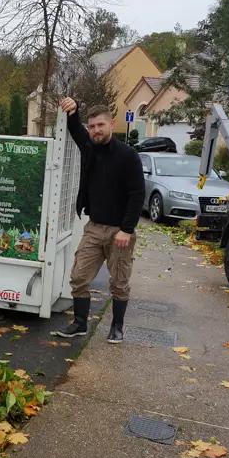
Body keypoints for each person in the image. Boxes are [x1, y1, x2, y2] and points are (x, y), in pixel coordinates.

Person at [55, 98, 145, 343]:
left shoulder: (128, 156)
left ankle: (117, 326)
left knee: (119, 282)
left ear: (111, 124)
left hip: (120, 232)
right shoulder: (89, 148)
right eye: (92, 126)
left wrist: (127, 229)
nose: (96, 130)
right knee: (79, 276)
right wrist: (73, 111)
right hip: (94, 228)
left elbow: (137, 195)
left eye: (100, 125)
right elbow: (75, 129)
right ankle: (80, 324)